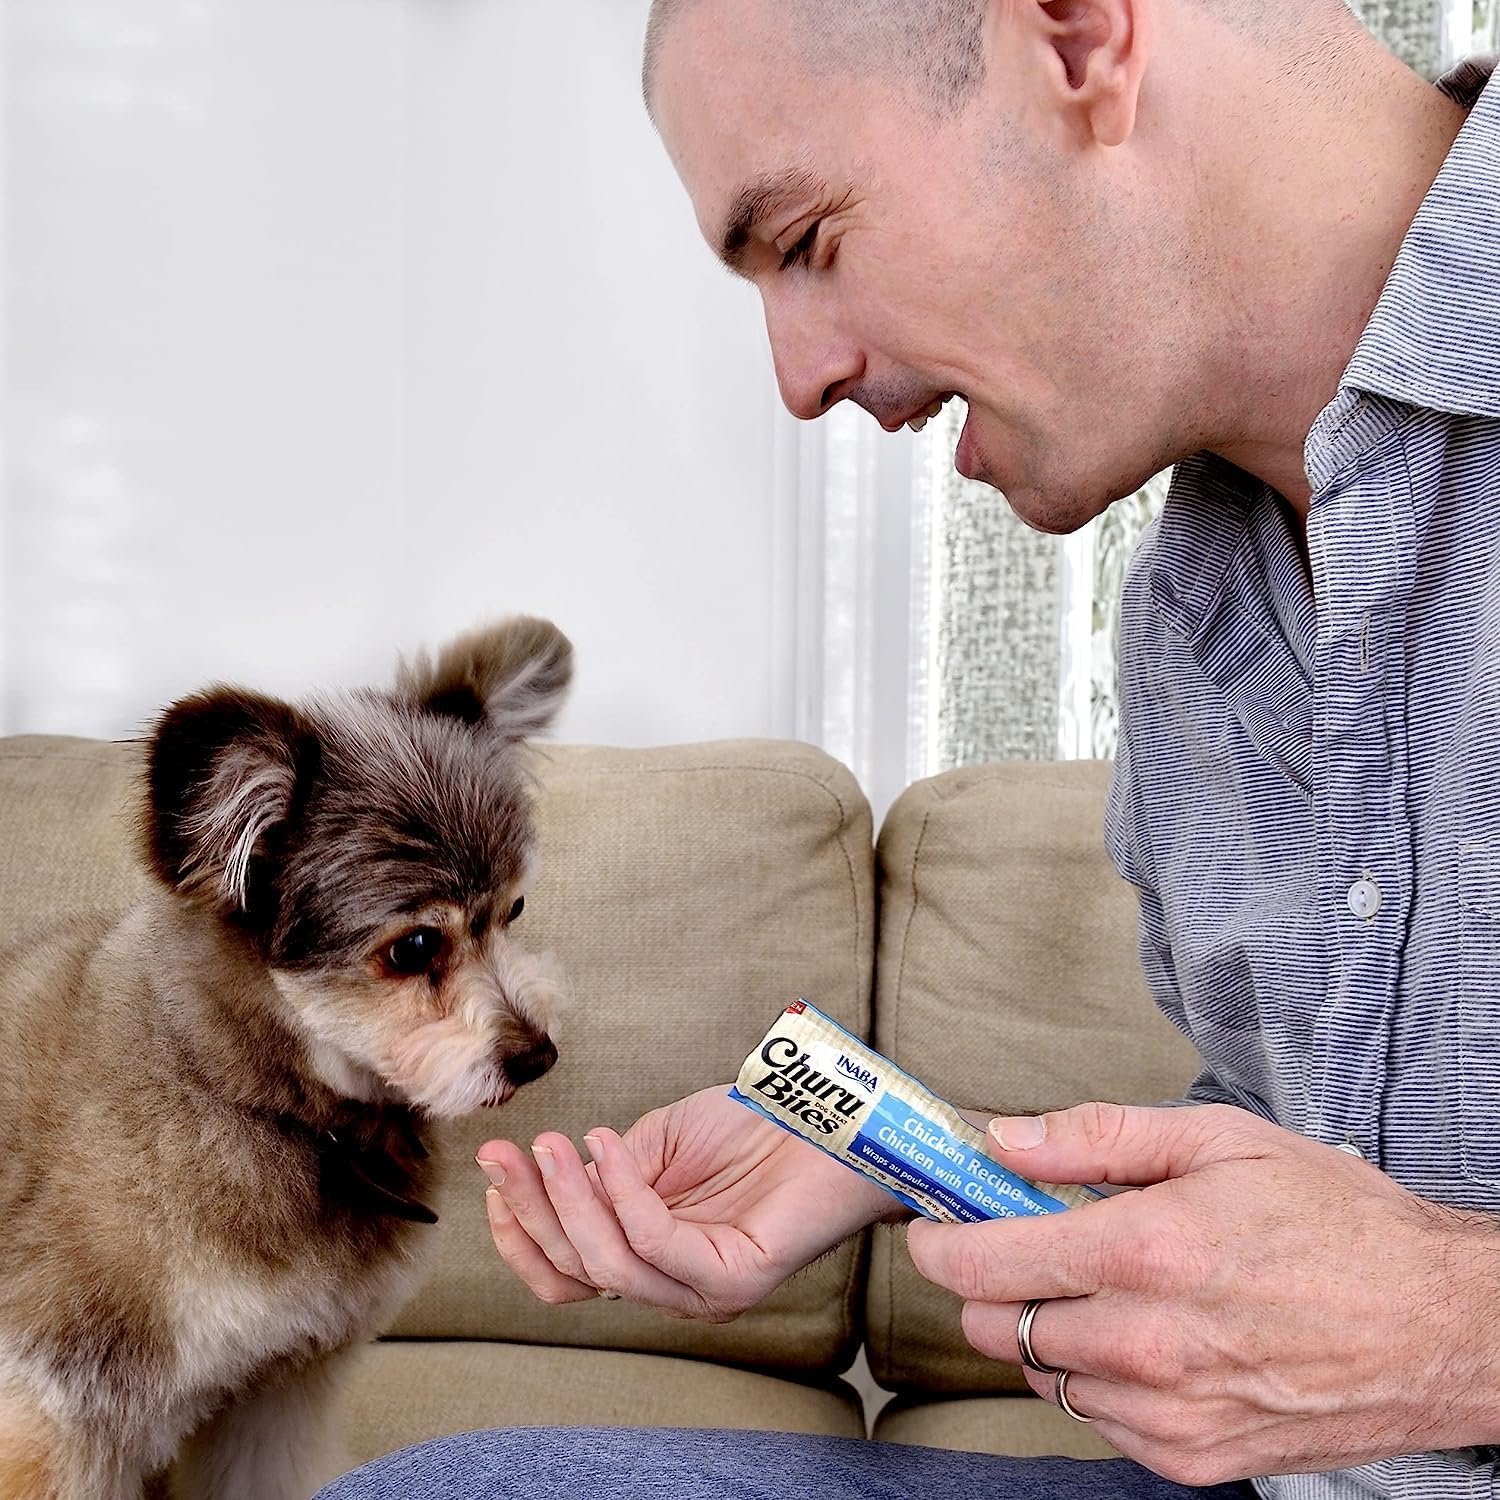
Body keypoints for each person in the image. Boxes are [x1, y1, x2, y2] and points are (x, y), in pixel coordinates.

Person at [317, 0, 1500, 1495]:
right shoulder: (1191, 627)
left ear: (1076, 43)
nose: (798, 378)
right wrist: (910, 1146)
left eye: (807, 240)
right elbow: (1308, 1199)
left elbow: (1391, 1291)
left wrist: (1456, 1326)